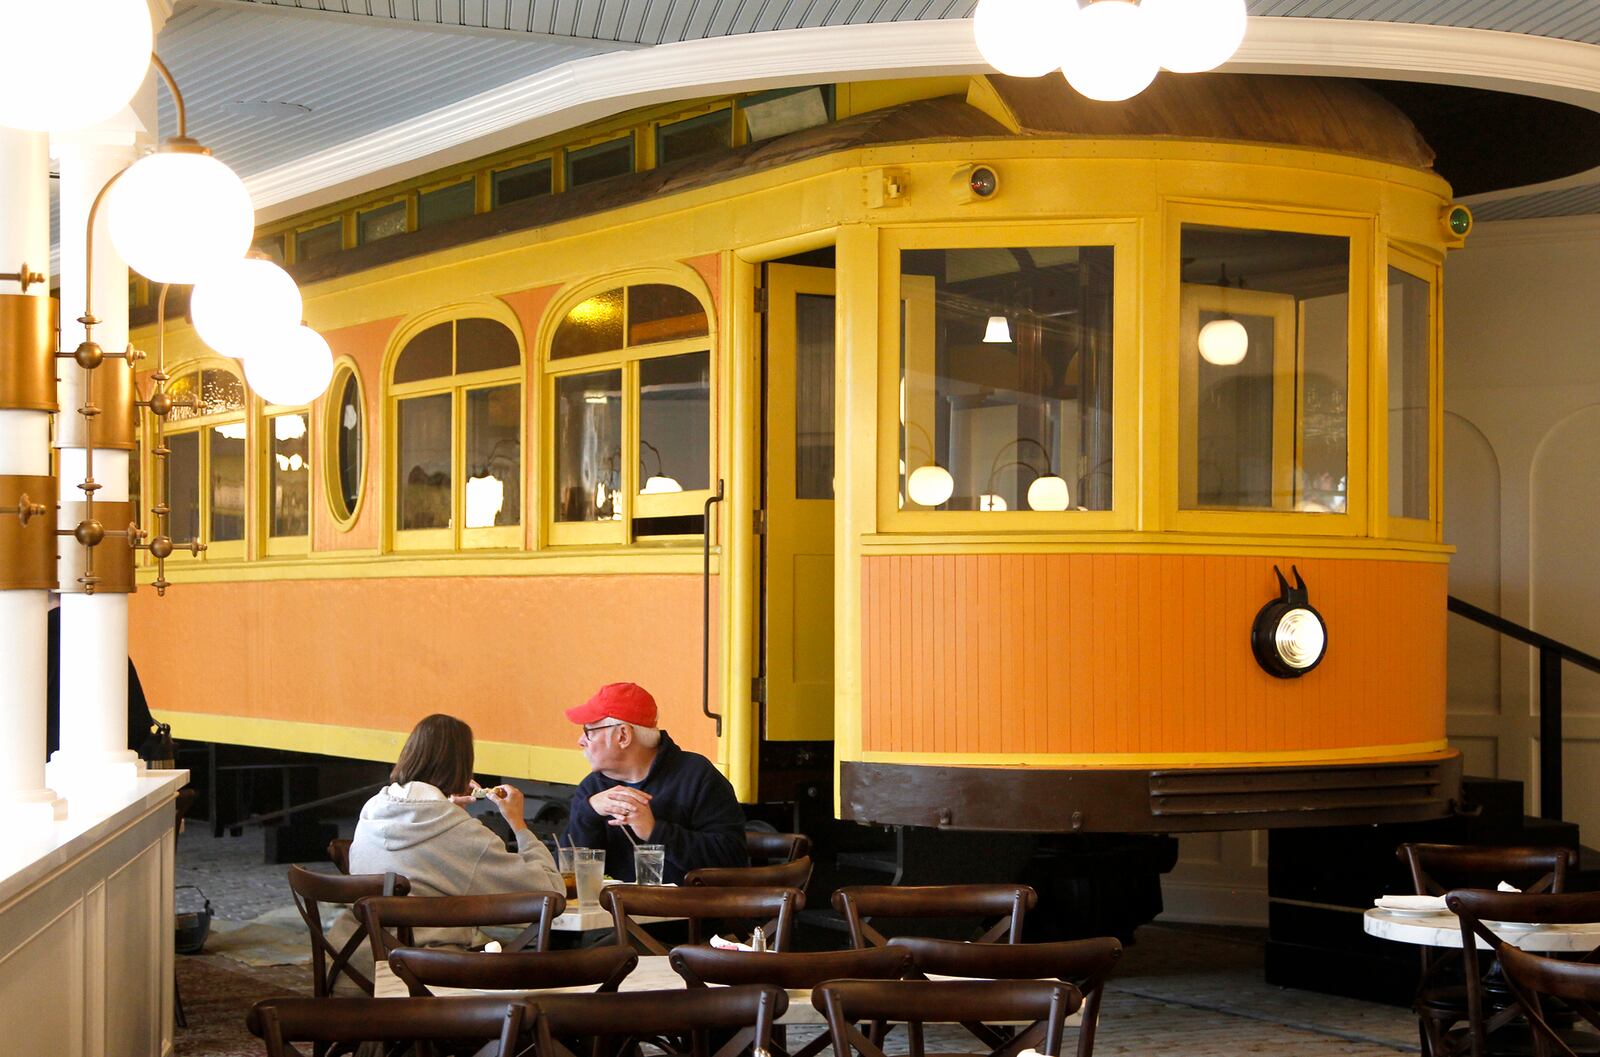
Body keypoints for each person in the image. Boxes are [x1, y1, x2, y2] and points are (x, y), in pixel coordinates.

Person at [327, 713, 563, 989]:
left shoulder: (373, 809)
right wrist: (518, 824)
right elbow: (550, 892)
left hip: (352, 971)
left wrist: (448, 809)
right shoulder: (456, 830)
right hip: (423, 982)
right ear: (463, 767)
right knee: (541, 985)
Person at [563, 682, 747, 884]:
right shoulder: (592, 789)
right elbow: (565, 874)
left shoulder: (696, 776)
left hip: (688, 912)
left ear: (623, 735)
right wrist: (588, 814)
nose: (581, 740)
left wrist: (655, 831)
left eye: (589, 731)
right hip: (613, 911)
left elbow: (732, 860)